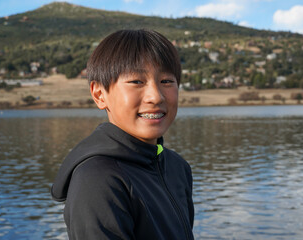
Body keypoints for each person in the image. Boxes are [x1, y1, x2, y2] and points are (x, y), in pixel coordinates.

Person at [50, 29, 195, 240]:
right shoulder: (98, 179)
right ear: (100, 95)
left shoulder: (177, 167)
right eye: (137, 81)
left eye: (166, 81)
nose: (155, 96)